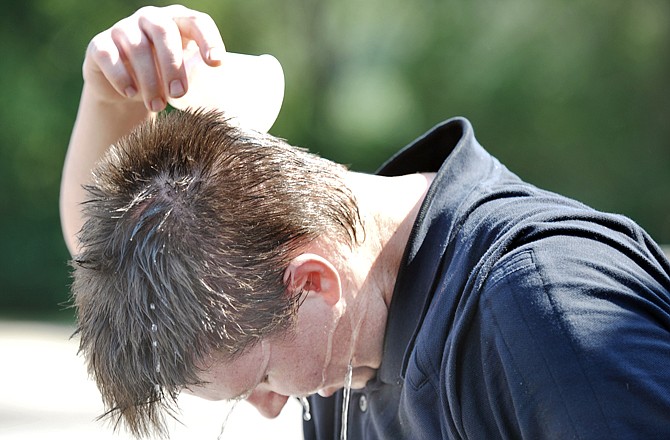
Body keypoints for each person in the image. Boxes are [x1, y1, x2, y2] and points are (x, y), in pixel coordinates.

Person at [60, 5, 670, 440]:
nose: (271, 407)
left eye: (261, 377)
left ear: (312, 282)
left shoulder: (543, 314)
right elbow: (107, 258)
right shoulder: (352, 329)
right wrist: (107, 99)